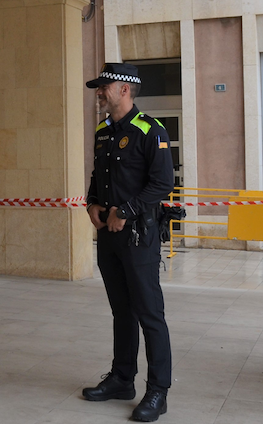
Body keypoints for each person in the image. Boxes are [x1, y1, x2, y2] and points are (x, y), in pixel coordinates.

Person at [82, 63, 175, 422]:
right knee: (121, 311)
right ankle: (122, 379)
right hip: (108, 237)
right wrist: (92, 203)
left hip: (138, 237)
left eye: (105, 86)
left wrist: (126, 210)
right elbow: (96, 175)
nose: (100, 92)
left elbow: (162, 183)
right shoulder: (104, 132)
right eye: (99, 87)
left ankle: (158, 391)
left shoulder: (150, 130)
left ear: (125, 90)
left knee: (150, 314)